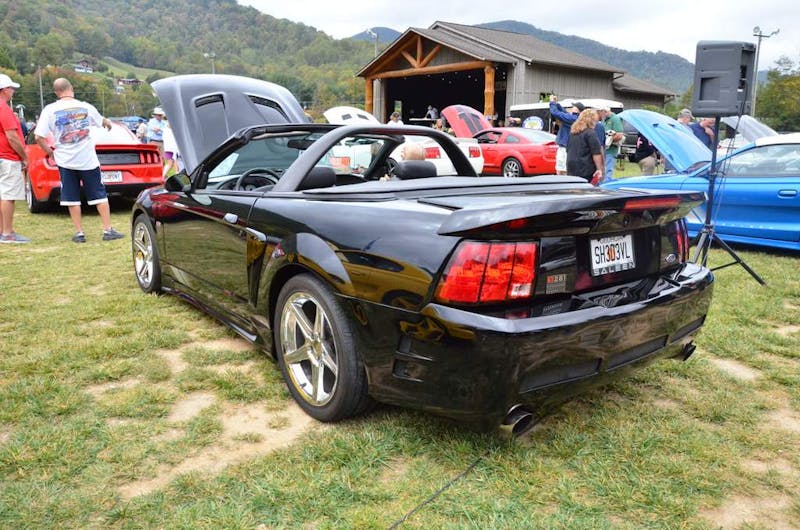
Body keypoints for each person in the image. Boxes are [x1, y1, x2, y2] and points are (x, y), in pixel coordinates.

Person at [33, 77, 125, 243]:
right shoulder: (85, 106)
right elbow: (102, 121)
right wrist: (108, 123)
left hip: (65, 160)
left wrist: (51, 152)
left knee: (71, 197)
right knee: (99, 194)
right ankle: (107, 230)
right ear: (71, 88)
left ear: (56, 92)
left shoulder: (49, 110)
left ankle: (79, 233)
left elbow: (38, 137)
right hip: (88, 160)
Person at [0, 73, 31, 244]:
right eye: (11, 88)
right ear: (4, 90)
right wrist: (24, 156)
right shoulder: (3, 108)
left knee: (2, 194)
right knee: (8, 195)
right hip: (7, 158)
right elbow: (12, 136)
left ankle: (2, 230)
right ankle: (7, 232)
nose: (13, 91)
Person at [566, 108, 604, 184]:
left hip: (571, 165)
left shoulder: (573, 132)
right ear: (592, 120)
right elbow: (596, 152)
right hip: (585, 167)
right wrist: (599, 169)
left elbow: (567, 149)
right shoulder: (590, 133)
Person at [549, 96, 582, 175]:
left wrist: (552, 103)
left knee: (561, 169)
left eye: (573, 107)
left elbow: (555, 113)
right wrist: (557, 104)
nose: (571, 107)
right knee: (563, 168)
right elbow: (564, 112)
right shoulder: (574, 117)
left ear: (577, 110)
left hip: (565, 147)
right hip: (568, 147)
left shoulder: (572, 118)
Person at [598, 105, 624, 182]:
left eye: (601, 112)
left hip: (610, 150)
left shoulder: (615, 119)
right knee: (602, 169)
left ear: (605, 111)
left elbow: (620, 134)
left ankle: (606, 187)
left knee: (608, 169)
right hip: (602, 149)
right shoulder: (604, 120)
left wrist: (608, 140)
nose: (600, 114)